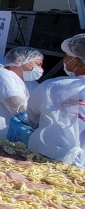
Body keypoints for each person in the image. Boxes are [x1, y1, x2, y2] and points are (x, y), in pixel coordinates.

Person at [26, 34, 85, 167]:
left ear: (77, 62)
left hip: (47, 159)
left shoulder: (52, 86)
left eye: (66, 55)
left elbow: (33, 116)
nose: (65, 59)